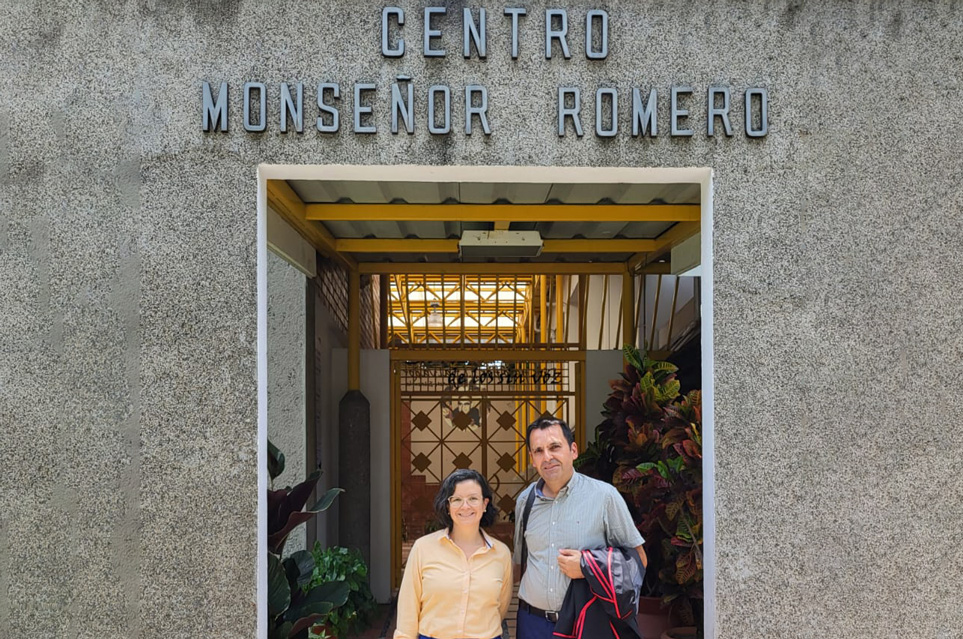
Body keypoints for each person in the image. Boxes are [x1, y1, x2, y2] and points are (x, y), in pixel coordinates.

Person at [513, 417, 647, 639]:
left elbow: (638, 560)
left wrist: (587, 566)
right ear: (532, 459)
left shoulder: (604, 497)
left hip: (585, 624)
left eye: (555, 447)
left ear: (573, 450)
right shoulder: (524, 501)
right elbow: (519, 564)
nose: (547, 457)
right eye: (539, 451)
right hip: (531, 622)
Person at [395, 468, 513, 639]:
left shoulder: (501, 554)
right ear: (448, 506)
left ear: (485, 504)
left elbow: (500, 608)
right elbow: (408, 610)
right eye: (457, 499)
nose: (465, 506)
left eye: (473, 498)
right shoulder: (423, 548)